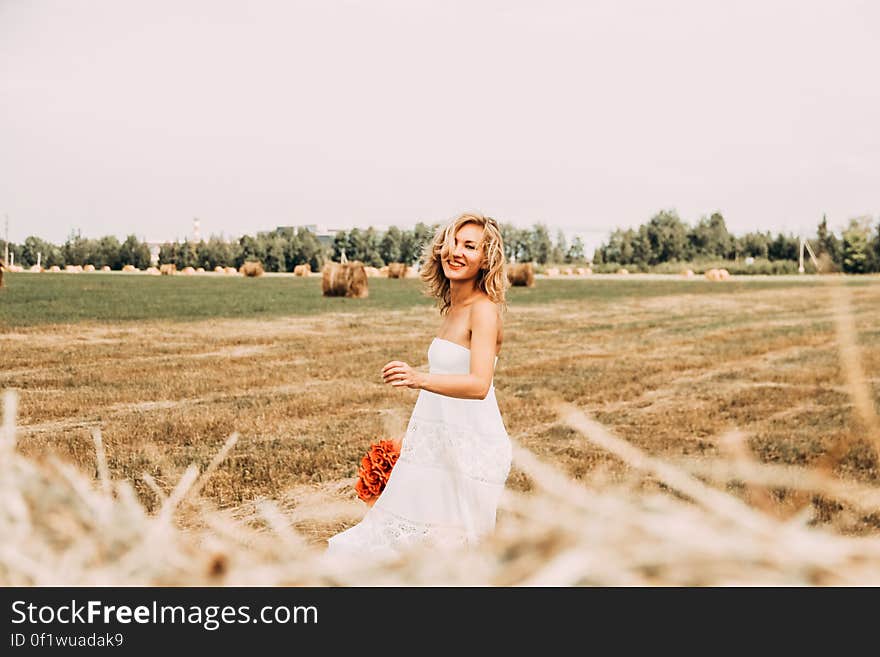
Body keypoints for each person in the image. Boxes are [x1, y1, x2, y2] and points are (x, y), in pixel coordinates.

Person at [326, 212, 512, 561]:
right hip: (438, 444)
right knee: (404, 545)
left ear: (486, 259)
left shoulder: (484, 310)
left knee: (452, 557)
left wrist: (418, 378)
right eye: (452, 242)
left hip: (472, 449)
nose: (455, 252)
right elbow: (450, 381)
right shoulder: (454, 308)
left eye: (469, 246)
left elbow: (478, 385)